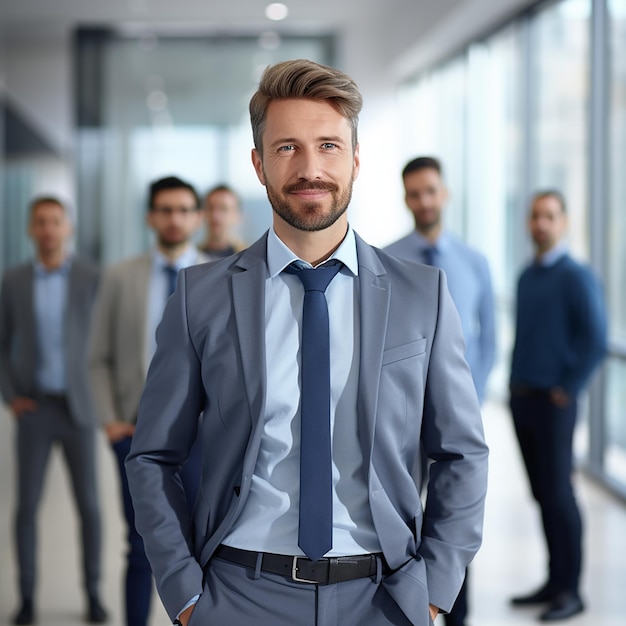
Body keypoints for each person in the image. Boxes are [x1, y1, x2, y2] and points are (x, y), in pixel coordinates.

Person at [125, 59, 489, 626]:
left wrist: (435, 587)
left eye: (328, 146)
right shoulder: (202, 295)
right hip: (237, 594)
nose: (310, 168)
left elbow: (462, 453)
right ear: (259, 164)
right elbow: (152, 456)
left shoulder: (424, 294)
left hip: (384, 597)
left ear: (357, 159)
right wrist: (185, 593)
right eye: (288, 148)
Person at [87, 176, 207, 626]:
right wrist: (111, 422)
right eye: (165, 210)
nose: (174, 219)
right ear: (150, 217)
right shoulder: (120, 277)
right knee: (140, 545)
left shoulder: (222, 274)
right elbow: (96, 356)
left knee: (201, 546)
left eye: (183, 210)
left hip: (202, 440)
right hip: (134, 434)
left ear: (196, 217)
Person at [385, 156, 496, 626]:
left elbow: (488, 337)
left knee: (454, 512)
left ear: (444, 193)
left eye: (431, 191)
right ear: (406, 198)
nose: (424, 201)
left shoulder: (474, 263)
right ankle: (405, 605)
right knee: (405, 514)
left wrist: (472, 400)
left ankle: (453, 609)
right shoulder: (388, 260)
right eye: (414, 194)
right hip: (405, 415)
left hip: (456, 411)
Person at [0, 197, 108, 625]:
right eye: (40, 222)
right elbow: (2, 344)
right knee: (26, 508)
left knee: (90, 508)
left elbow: (106, 342)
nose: (47, 229)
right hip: (35, 408)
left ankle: (94, 594)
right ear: (30, 229)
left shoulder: (91, 277)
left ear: (69, 228)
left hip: (80, 410)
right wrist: (11, 397)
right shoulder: (14, 281)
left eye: (55, 222)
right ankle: (26, 598)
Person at [509, 190, 607, 622]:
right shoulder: (527, 275)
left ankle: (571, 590)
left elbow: (596, 338)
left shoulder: (576, 276)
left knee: (560, 494)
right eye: (535, 216)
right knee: (543, 495)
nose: (541, 224)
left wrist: (568, 386)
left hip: (554, 404)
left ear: (564, 222)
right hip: (523, 400)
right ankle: (553, 580)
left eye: (550, 216)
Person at [198, 184, 246, 259]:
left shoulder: (249, 257)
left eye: (223, 209)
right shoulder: (192, 259)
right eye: (210, 208)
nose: (215, 215)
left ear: (236, 215)